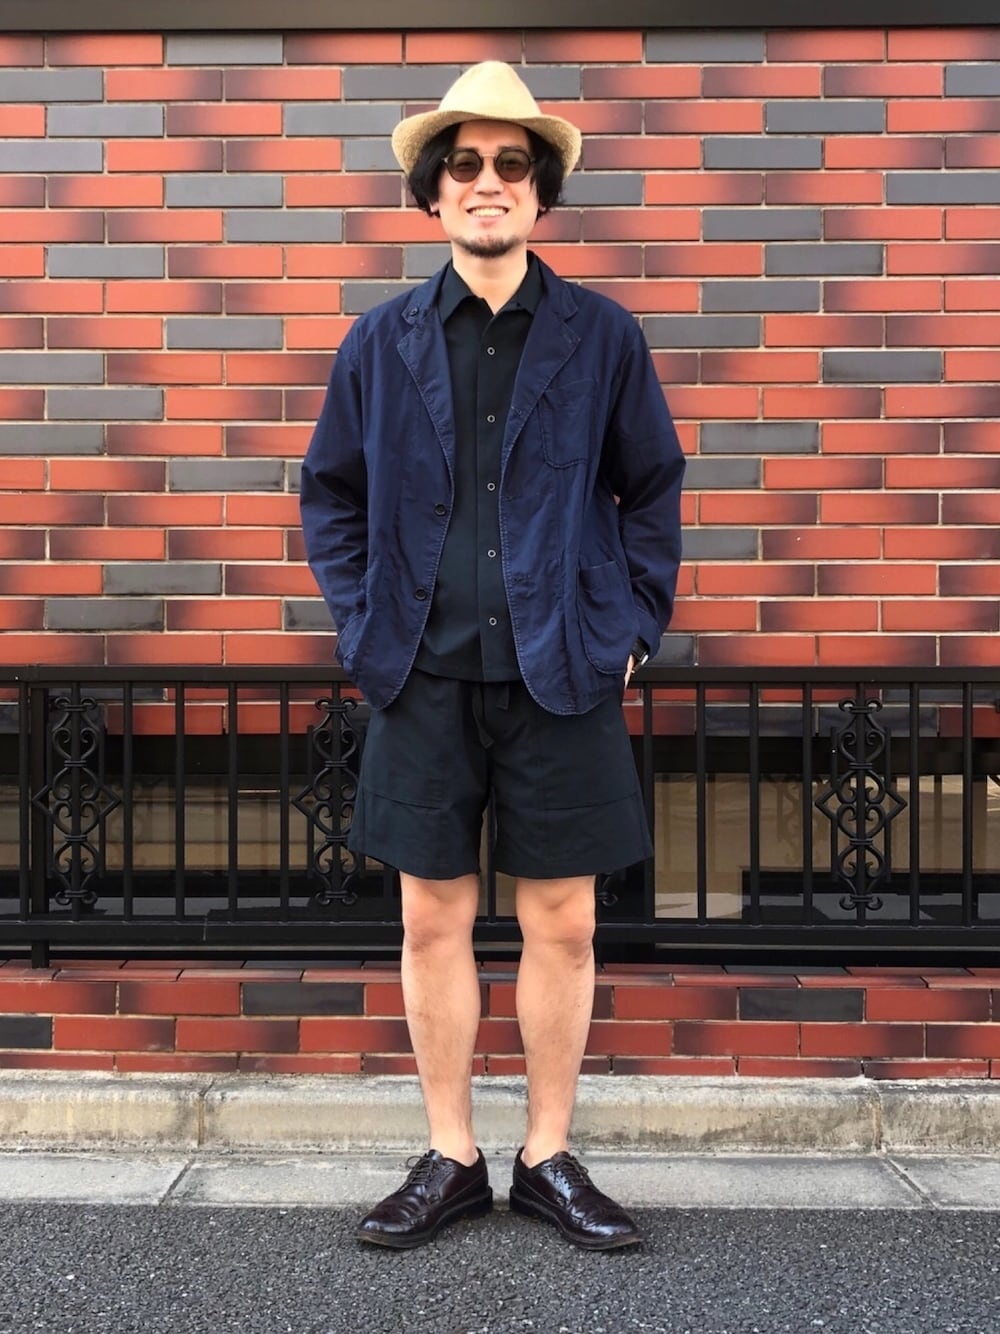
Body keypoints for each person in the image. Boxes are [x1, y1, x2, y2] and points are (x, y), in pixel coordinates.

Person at [300, 61, 685, 1251]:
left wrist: (631, 624)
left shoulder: (601, 336)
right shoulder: (381, 342)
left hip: (562, 667)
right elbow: (331, 496)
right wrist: (363, 622)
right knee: (430, 919)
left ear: (540, 190)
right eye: (464, 162)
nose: (487, 181)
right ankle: (453, 1155)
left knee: (563, 920)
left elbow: (650, 488)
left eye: (512, 163)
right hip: (420, 671)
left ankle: (548, 1152)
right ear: (433, 190)